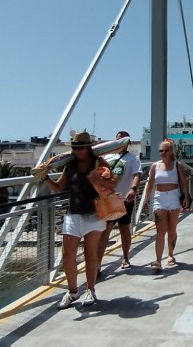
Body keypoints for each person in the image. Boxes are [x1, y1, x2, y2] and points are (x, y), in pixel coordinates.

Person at [42, 132, 110, 309]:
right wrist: (44, 177)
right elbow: (58, 187)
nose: (77, 150)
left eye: (80, 147)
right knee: (67, 255)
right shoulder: (70, 166)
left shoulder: (99, 163)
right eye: (74, 147)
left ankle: (90, 289)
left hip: (94, 215)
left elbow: (112, 185)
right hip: (73, 214)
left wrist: (98, 179)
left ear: (88, 147)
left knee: (90, 254)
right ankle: (72, 291)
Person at [97, 131, 142, 272]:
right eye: (118, 140)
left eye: (123, 140)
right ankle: (97, 263)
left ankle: (125, 257)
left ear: (128, 143)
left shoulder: (133, 159)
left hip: (123, 198)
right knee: (105, 231)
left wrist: (133, 189)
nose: (120, 142)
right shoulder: (107, 157)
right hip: (109, 199)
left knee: (124, 228)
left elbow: (136, 175)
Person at [144, 140, 191, 272]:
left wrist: (186, 197)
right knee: (160, 231)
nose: (163, 153)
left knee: (172, 229)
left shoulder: (178, 165)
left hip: (174, 197)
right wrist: (146, 199)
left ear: (171, 151)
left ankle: (170, 254)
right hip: (159, 198)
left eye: (166, 150)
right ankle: (158, 260)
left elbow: (183, 181)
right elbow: (150, 183)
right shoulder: (155, 166)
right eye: (161, 151)